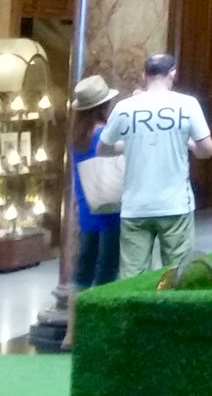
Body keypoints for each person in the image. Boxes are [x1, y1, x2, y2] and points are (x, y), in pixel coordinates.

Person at [98, 53, 212, 276]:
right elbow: (207, 150)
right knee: (178, 274)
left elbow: (103, 149)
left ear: (144, 76)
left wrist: (129, 145)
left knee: (132, 278)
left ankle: (135, 311)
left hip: (135, 206)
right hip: (176, 204)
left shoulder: (124, 107)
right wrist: (189, 144)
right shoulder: (187, 104)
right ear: (173, 74)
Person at [68, 76, 124, 295]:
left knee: (83, 270)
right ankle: (98, 320)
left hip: (86, 206)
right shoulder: (104, 134)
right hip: (109, 205)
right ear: (103, 106)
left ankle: (74, 325)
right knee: (107, 270)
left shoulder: (78, 137)